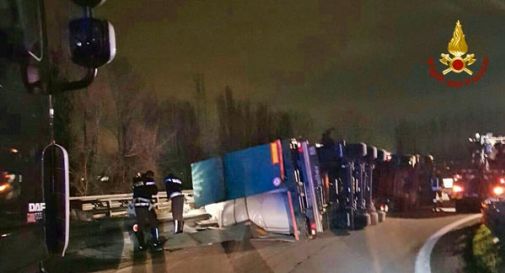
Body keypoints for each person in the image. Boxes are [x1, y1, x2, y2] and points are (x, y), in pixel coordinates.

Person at [132, 170, 161, 251]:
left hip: (137, 205)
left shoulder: (137, 180)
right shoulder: (149, 180)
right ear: (150, 175)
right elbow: (155, 191)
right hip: (146, 204)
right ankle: (155, 242)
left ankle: (141, 245)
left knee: (139, 225)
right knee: (153, 222)